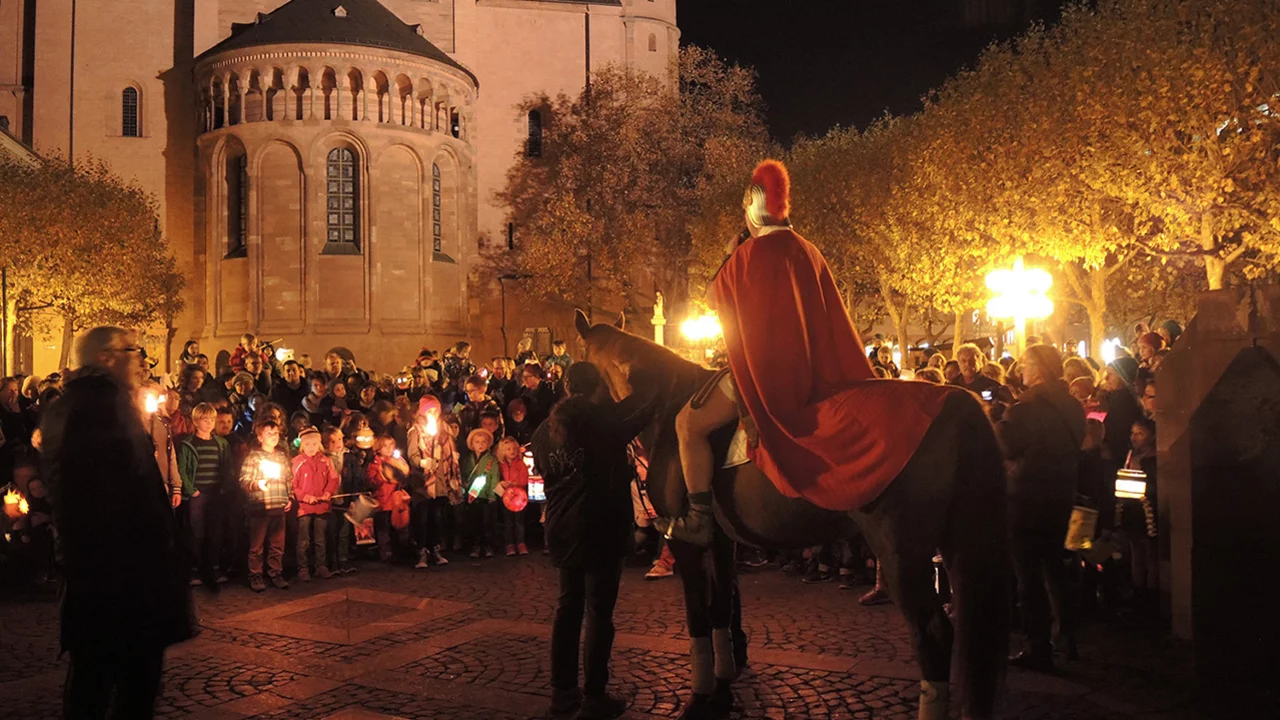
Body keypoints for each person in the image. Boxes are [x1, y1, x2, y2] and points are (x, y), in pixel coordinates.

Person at [656, 159, 951, 545]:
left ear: (753, 206)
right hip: (818, 370)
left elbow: (714, 298)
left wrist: (730, 255)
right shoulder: (808, 250)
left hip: (768, 373)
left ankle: (698, 518)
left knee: (687, 424)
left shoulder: (751, 253)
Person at [41, 326, 193, 719]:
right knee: (119, 685)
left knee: (101, 680)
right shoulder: (98, 408)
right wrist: (161, 557)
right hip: (121, 579)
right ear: (107, 357)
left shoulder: (90, 404)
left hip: (107, 577)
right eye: (134, 351)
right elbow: (118, 498)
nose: (143, 360)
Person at [533, 362, 656, 719]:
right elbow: (649, 401)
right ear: (599, 387)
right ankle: (595, 695)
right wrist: (635, 375)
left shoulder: (544, 430)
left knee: (567, 609)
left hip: (560, 525)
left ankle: (562, 693)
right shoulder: (606, 421)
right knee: (599, 613)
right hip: (601, 525)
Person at [998, 344, 1085, 672]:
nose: (1021, 368)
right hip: (1063, 496)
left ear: (1038, 368)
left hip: (1026, 500)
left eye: (1026, 363)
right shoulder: (1072, 405)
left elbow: (1005, 444)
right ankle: (1068, 638)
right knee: (1058, 570)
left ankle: (1038, 647)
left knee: (1029, 577)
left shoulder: (1027, 407)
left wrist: (1005, 414)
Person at [177, 403, 232, 587]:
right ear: (195, 421)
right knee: (196, 532)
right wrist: (191, 489)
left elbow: (226, 467)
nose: (209, 423)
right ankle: (195, 570)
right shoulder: (188, 444)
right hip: (198, 494)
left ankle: (213, 568)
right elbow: (182, 469)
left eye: (211, 420)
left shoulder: (221, 444)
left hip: (215, 493)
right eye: (205, 419)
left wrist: (223, 487)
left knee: (215, 531)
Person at [241, 420, 294, 592]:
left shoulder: (281, 457)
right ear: (260, 437)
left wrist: (289, 497)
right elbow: (244, 480)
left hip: (278, 504)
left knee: (277, 543)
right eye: (269, 434)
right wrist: (258, 484)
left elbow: (288, 479)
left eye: (276, 433)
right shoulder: (254, 457)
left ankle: (275, 572)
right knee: (257, 544)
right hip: (260, 506)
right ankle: (255, 574)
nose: (273, 437)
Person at [407, 397, 458, 568]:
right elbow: (412, 454)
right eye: (429, 411)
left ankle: (435, 548)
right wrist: (423, 463)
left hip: (440, 481)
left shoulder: (444, 430)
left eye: (435, 411)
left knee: (437, 517)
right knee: (422, 517)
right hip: (423, 482)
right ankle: (422, 551)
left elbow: (449, 452)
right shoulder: (415, 431)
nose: (433, 414)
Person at [291, 426, 338, 581]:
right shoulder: (297, 462)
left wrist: (328, 493)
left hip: (322, 506)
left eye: (314, 444)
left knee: (320, 538)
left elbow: (333, 479)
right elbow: (292, 484)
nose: (311, 448)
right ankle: (303, 567)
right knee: (303, 538)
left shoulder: (326, 461)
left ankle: (321, 565)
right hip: (304, 507)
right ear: (302, 445)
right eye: (307, 444)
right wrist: (305, 497)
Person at [323, 426, 365, 575]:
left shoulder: (349, 458)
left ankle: (343, 560)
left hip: (345, 499)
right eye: (333, 441)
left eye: (340, 439)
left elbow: (356, 479)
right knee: (331, 532)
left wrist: (353, 498)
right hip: (330, 501)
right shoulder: (323, 458)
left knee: (344, 532)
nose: (338, 444)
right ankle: (332, 562)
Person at [461, 427, 501, 559]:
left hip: (484, 496)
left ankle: (488, 545)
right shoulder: (467, 460)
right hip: (472, 496)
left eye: (483, 442)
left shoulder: (492, 460)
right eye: (477, 442)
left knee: (486, 522)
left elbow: (494, 477)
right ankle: (475, 546)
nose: (480, 444)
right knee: (474, 522)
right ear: (472, 444)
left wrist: (492, 495)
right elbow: (464, 474)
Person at [496, 436, 530, 556]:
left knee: (519, 522)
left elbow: (525, 480)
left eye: (514, 449)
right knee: (508, 522)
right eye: (508, 449)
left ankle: (521, 543)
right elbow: (497, 480)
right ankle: (509, 544)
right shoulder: (500, 466)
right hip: (506, 498)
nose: (512, 451)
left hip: (519, 499)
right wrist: (502, 484)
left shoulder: (521, 465)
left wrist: (516, 484)